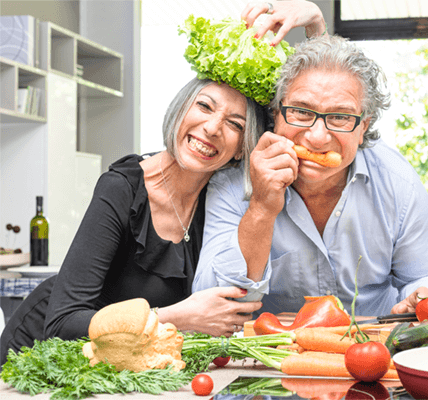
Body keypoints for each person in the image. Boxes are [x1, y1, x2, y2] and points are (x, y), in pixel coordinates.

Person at [1, 0, 329, 366]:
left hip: (122, 367)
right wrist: (176, 316)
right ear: (180, 110)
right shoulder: (123, 187)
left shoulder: (222, 200)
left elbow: (313, 116)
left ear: (243, 148)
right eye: (204, 107)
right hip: (39, 359)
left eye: (235, 124)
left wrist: (315, 22)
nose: (212, 128)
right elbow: (62, 323)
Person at [193, 34, 428, 318]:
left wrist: (424, 295)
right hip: (276, 352)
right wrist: (261, 208)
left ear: (364, 127)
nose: (318, 137)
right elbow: (212, 304)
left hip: (374, 347)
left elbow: (427, 274)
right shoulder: (232, 182)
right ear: (276, 114)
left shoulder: (398, 181)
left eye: (340, 117)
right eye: (300, 112)